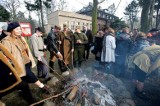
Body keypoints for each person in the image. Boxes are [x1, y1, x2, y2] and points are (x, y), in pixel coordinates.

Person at [1, 22, 51, 94]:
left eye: (20, 29)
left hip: (27, 61)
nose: (20, 30)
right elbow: (6, 56)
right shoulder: (6, 41)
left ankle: (22, 91)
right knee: (31, 75)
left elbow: (26, 50)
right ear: (11, 30)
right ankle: (43, 87)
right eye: (17, 29)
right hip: (19, 64)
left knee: (23, 79)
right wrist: (13, 66)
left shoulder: (21, 38)